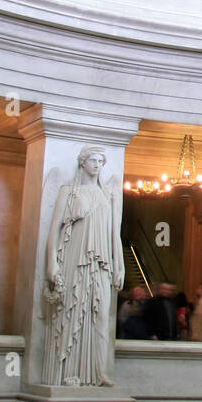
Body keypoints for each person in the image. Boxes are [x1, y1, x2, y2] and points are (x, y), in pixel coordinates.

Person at [43, 146, 124, 387]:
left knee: (101, 316)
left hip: (101, 262)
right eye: (92, 160)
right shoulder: (69, 191)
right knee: (74, 311)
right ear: (83, 163)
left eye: (101, 160)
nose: (97, 164)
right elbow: (54, 229)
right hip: (74, 258)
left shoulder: (108, 195)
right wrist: (51, 264)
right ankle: (70, 372)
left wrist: (119, 266)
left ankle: (100, 373)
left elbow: (114, 233)